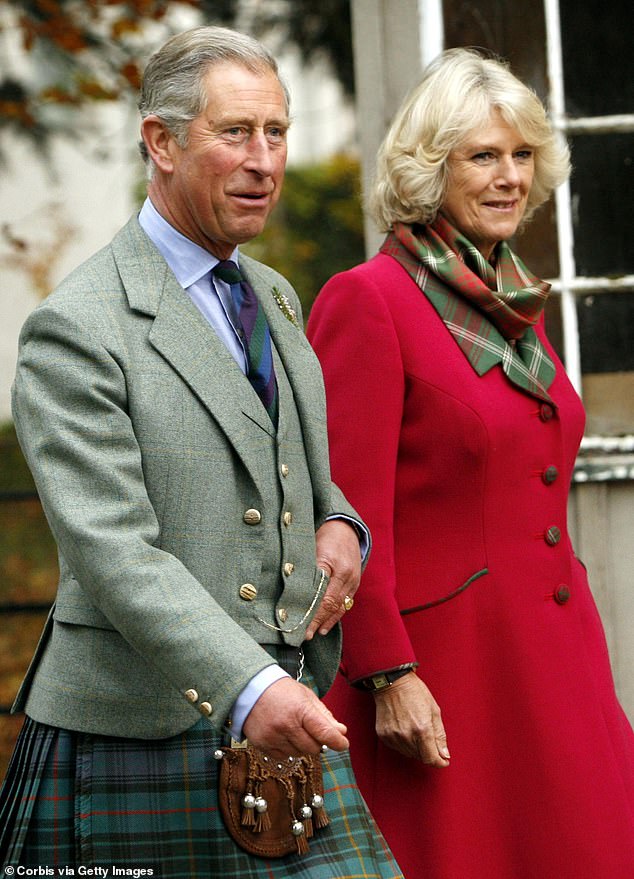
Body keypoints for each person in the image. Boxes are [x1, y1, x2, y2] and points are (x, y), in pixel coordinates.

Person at [0, 26, 405, 879]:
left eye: (277, 133)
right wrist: (253, 686)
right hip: (140, 726)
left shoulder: (274, 296)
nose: (265, 160)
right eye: (235, 133)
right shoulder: (79, 327)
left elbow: (302, 474)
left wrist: (341, 524)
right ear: (161, 142)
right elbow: (113, 552)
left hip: (278, 713)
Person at [306, 47, 634, 879]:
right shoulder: (370, 297)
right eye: (483, 156)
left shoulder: (511, 300)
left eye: (521, 155)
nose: (509, 176)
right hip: (448, 675)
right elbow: (345, 507)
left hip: (556, 657)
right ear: (429, 170)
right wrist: (387, 675)